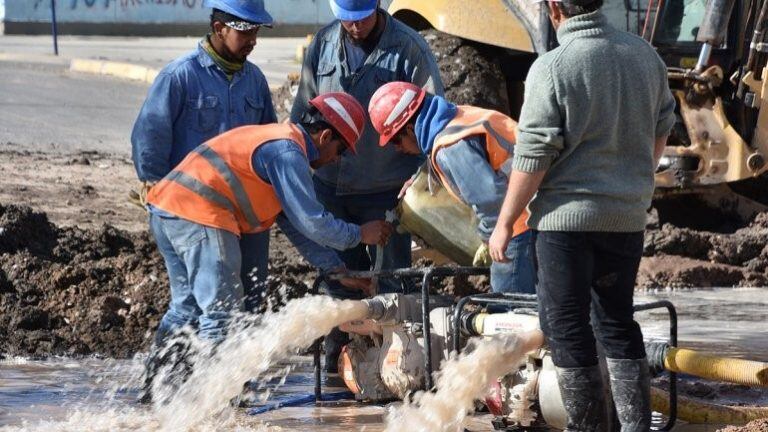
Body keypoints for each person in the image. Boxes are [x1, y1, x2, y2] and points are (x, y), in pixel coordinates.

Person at [488, 0, 676, 429]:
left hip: (565, 225)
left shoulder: (553, 67)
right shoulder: (643, 55)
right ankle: (634, 426)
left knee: (567, 329)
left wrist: (503, 225)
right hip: (625, 219)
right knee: (617, 323)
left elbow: (533, 156)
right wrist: (640, 178)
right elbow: (665, 122)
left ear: (554, 8)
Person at [141, 92, 393, 401]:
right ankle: (210, 404)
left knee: (187, 308)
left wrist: (335, 271)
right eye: (340, 150)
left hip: (169, 209)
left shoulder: (279, 142)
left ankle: (156, 392)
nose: (336, 159)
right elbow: (313, 222)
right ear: (325, 135)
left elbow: (293, 224)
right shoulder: (288, 152)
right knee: (222, 314)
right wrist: (359, 234)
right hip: (201, 214)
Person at [290, 0, 444, 375]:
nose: (354, 28)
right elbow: (301, 113)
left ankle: (397, 368)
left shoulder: (409, 50)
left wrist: (424, 184)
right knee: (339, 280)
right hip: (331, 186)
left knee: (391, 284)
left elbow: (432, 124)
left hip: (386, 189)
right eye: (346, 20)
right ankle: (336, 367)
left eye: (361, 20)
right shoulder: (324, 44)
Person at [131, 0, 277, 313]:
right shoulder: (179, 77)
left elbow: (269, 142)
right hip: (196, 213)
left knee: (252, 298)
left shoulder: (255, 81)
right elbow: (149, 139)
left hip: (246, 212)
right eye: (246, 32)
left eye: (256, 31)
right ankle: (170, 363)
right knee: (193, 303)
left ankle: (239, 363)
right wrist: (158, 194)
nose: (253, 40)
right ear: (218, 29)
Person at [368, 81, 536, 295]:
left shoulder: (449, 147)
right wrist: (420, 177)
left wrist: (487, 240)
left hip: (517, 226)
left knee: (509, 314)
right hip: (537, 211)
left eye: (395, 141)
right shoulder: (458, 116)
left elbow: (491, 199)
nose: (398, 149)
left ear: (410, 129)